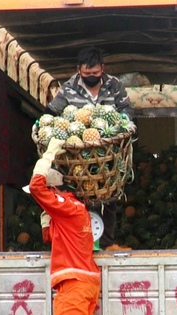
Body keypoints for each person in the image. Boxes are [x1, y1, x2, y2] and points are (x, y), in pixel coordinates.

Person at [44, 46, 133, 251]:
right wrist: (44, 123)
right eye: (86, 74)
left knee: (110, 193)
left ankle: (108, 242)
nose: (91, 76)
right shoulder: (68, 88)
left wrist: (122, 123)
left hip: (108, 151)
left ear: (102, 68)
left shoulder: (114, 85)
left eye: (95, 73)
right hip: (77, 155)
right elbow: (54, 110)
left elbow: (127, 109)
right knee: (76, 196)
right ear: (78, 70)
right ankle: (78, 243)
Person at [27, 138, 101, 315]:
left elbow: (36, 186)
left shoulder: (65, 207)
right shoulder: (75, 209)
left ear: (52, 190)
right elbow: (51, 237)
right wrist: (46, 216)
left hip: (73, 285)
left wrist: (48, 155)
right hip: (84, 282)